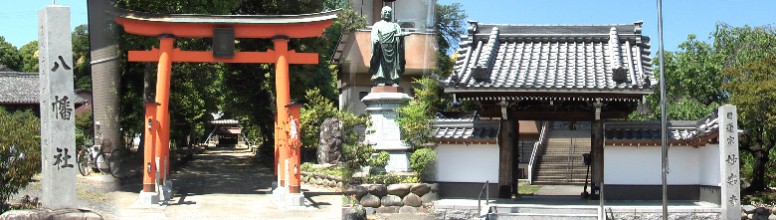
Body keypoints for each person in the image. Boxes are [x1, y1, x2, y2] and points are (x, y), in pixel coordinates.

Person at [369, 6, 407, 86]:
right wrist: (376, 40)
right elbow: (374, 36)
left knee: (393, 65)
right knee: (381, 65)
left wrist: (400, 39)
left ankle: (393, 79)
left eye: (389, 12)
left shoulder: (396, 26)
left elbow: (399, 37)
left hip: (393, 49)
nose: (387, 14)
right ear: (381, 14)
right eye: (385, 12)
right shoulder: (377, 25)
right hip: (381, 49)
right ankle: (381, 79)